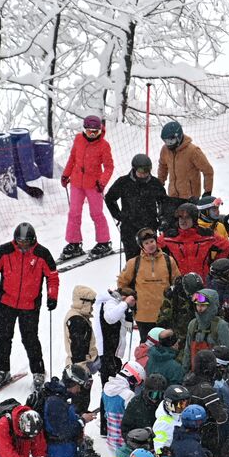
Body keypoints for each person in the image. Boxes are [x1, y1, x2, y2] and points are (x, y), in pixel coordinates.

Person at [0, 222, 59, 392]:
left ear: (33, 240)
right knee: (3, 336)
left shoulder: (42, 254)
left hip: (30, 305)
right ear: (15, 240)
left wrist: (52, 296)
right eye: (20, 242)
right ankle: (2, 370)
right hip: (6, 302)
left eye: (27, 242)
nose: (23, 246)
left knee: (30, 338)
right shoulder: (5, 250)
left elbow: (52, 276)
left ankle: (38, 371)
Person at [58, 115, 114, 261]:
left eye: (95, 132)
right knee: (74, 213)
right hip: (76, 182)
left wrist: (102, 182)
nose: (92, 134)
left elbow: (109, 167)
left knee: (96, 213)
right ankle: (74, 243)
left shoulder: (103, 145)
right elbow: (72, 158)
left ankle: (104, 242)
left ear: (100, 131)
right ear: (85, 130)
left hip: (94, 185)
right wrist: (65, 175)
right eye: (90, 131)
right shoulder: (78, 139)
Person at [117, 228, 177, 341]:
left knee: (168, 346)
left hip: (166, 314)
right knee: (146, 349)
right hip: (143, 316)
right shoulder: (134, 263)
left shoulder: (169, 261)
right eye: (146, 243)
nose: (150, 245)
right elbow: (121, 284)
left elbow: (177, 282)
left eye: (152, 241)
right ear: (141, 245)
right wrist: (129, 294)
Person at [104, 154, 167, 258]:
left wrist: (161, 218)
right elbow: (110, 198)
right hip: (129, 227)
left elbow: (163, 202)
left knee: (151, 257)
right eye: (141, 171)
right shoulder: (123, 182)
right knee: (133, 260)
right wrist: (119, 216)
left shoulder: (155, 183)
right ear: (134, 168)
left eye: (147, 171)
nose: (144, 174)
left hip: (149, 226)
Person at [158, 202, 229, 280]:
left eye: (187, 218)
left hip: (202, 284)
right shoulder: (168, 236)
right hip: (178, 285)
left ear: (194, 219)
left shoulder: (206, 235)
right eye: (181, 217)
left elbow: (226, 246)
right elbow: (151, 250)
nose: (183, 221)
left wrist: (215, 266)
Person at [156, 120, 214, 203]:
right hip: (173, 196)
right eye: (166, 141)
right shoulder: (165, 150)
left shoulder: (193, 151)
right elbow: (162, 166)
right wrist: (160, 184)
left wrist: (207, 192)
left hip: (190, 197)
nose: (169, 144)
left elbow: (208, 170)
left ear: (178, 137)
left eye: (171, 141)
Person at [62, 285, 98, 370]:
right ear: (83, 302)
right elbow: (77, 349)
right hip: (78, 367)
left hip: (80, 365)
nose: (92, 308)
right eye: (91, 304)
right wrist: (81, 370)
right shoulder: (76, 320)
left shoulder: (78, 316)